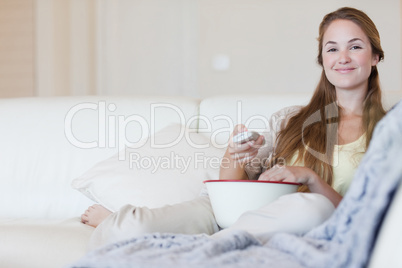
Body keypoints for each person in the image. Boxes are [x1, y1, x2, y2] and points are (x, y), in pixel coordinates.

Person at [81, 7, 386, 248]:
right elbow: (230, 187)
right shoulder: (291, 119)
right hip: (231, 213)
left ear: (375, 56)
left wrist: (311, 178)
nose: (342, 58)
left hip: (302, 221)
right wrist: (235, 152)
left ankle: (199, 246)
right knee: (133, 227)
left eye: (355, 47)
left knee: (312, 207)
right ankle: (144, 232)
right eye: (332, 49)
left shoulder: (387, 132)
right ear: (322, 59)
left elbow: (365, 215)